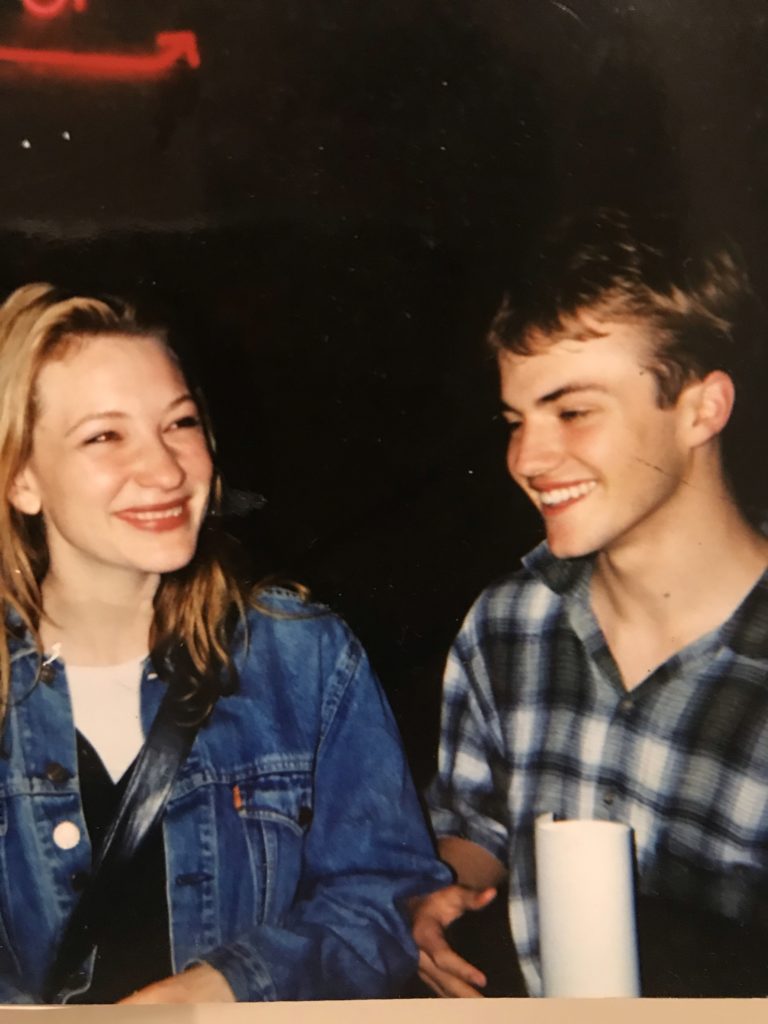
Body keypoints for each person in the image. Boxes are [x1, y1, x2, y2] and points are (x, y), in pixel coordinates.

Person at [0, 282, 450, 1005]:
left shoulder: (299, 654)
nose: (167, 470)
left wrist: (225, 989)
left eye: (178, 423)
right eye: (105, 436)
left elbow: (387, 895)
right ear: (22, 477)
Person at [413, 209, 768, 997]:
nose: (526, 458)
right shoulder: (507, 626)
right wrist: (432, 897)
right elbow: (476, 828)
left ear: (702, 409)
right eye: (516, 419)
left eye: (573, 411)